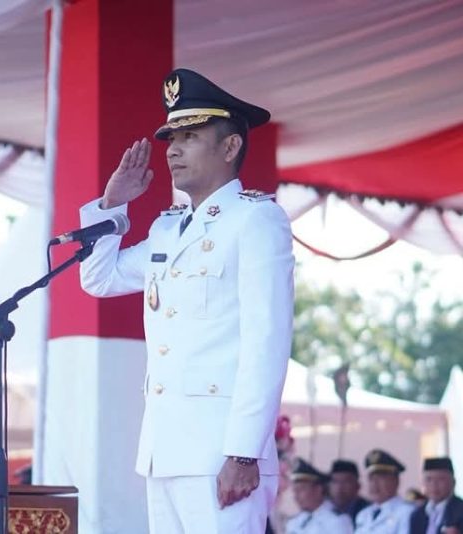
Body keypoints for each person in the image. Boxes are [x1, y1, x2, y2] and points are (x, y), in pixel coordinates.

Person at [78, 68, 294, 533]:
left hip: (221, 452)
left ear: (230, 146)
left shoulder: (256, 221)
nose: (173, 149)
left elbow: (267, 343)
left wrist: (243, 452)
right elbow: (99, 279)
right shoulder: (167, 230)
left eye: (190, 136)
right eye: (171, 137)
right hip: (165, 452)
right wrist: (113, 205)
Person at [286, 457, 354, 534]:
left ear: (318, 489)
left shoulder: (337, 521)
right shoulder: (295, 522)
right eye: (295, 491)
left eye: (301, 489)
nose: (296, 496)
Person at [355, 449, 415, 534]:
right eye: (371, 479)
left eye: (381, 478)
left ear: (396, 481)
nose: (374, 484)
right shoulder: (363, 515)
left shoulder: (407, 513)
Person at [409, 457, 463, 534]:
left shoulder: (460, 511)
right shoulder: (417, 515)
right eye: (429, 479)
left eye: (441, 479)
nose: (434, 485)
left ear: (453, 482)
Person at [330, 459, 372, 528]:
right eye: (335, 481)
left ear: (358, 486)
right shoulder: (326, 510)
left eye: (346, 481)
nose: (339, 487)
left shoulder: (368, 512)